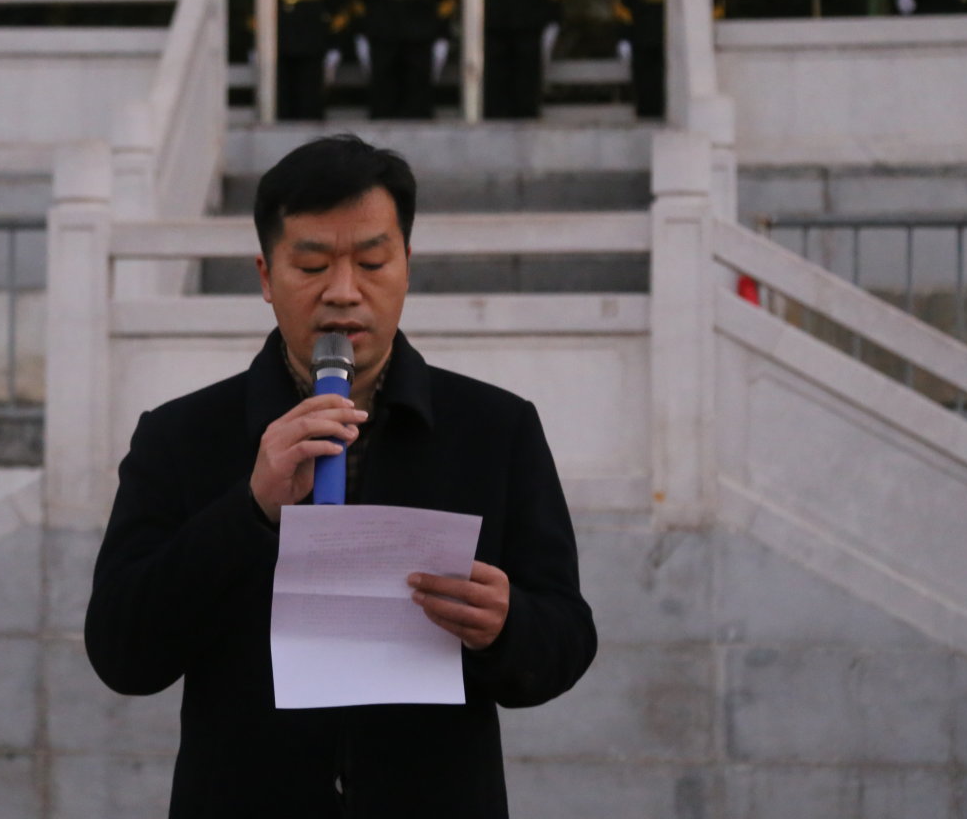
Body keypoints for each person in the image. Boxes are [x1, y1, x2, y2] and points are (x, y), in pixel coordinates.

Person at [86, 134, 597, 818]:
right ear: (266, 277)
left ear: (407, 266)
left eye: (373, 262)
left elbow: (567, 639)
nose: (344, 292)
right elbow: (121, 654)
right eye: (311, 265)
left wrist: (507, 626)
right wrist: (248, 511)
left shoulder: (495, 429)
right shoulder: (181, 436)